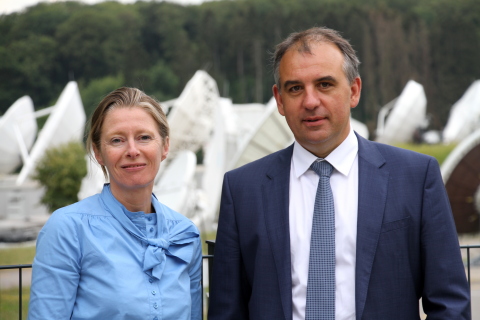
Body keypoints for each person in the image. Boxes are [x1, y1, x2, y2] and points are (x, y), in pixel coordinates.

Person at [208, 27, 470, 319]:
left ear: (354, 91)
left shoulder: (415, 177)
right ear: (279, 100)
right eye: (295, 88)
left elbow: (450, 304)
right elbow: (226, 310)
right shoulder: (243, 189)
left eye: (324, 84)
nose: (310, 101)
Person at [28, 87, 202, 320]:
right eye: (117, 140)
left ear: (165, 146)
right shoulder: (68, 230)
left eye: (144, 137)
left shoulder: (186, 234)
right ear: (99, 153)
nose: (132, 150)